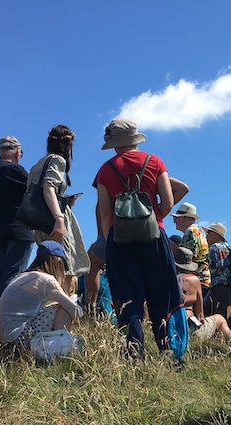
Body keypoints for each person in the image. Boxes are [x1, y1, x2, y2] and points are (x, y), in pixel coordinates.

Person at [96, 118, 188, 360]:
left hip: (120, 238)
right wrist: (155, 218)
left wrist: (110, 237)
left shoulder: (106, 170)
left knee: (127, 297)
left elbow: (104, 211)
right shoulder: (155, 161)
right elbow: (168, 201)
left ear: (114, 142)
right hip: (154, 235)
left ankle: (134, 355)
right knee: (163, 293)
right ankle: (171, 353)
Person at [28, 125, 90, 286]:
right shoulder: (57, 160)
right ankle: (65, 308)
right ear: (68, 145)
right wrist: (59, 217)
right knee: (65, 267)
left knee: (50, 267)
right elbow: (49, 188)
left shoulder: (38, 164)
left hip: (40, 224)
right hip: (53, 222)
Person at [0, 241, 80, 347]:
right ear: (58, 262)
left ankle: (60, 343)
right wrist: (72, 298)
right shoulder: (47, 280)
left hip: (5, 340)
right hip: (19, 338)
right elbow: (75, 311)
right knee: (63, 308)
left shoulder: (22, 276)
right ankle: (60, 347)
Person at [0, 135, 36, 300]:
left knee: (2, 274)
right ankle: (7, 314)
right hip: (19, 229)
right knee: (14, 275)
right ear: (17, 153)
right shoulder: (15, 170)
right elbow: (35, 192)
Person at [174, 247, 231, 340]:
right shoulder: (193, 280)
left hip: (170, 328)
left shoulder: (166, 280)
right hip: (189, 328)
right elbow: (199, 314)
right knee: (219, 319)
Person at [173, 202, 211, 296]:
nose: (174, 221)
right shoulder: (198, 232)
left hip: (194, 280)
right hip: (203, 279)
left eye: (175, 218)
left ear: (184, 218)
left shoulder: (190, 232)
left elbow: (186, 260)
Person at [204, 222, 231, 317]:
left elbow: (213, 268)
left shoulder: (214, 247)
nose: (206, 237)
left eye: (208, 234)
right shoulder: (229, 248)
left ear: (215, 234)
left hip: (218, 289)